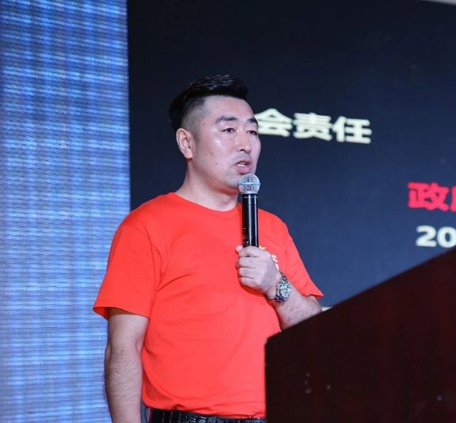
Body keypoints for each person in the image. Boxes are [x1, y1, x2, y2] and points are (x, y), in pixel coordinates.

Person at [93, 75, 323, 423]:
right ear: (186, 143)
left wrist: (276, 285)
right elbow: (123, 348)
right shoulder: (147, 225)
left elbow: (314, 330)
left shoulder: (272, 227)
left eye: (253, 131)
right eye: (228, 130)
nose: (245, 144)